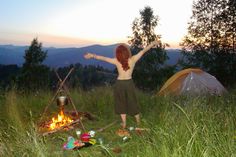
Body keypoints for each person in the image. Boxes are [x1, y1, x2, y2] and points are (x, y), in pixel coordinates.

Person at [84, 40, 159, 131]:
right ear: (127, 52)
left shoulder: (116, 61)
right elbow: (143, 51)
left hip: (119, 84)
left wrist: (92, 55)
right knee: (133, 102)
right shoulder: (133, 59)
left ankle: (124, 124)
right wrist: (152, 43)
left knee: (121, 103)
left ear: (118, 54)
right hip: (129, 83)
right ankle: (138, 123)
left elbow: (103, 58)